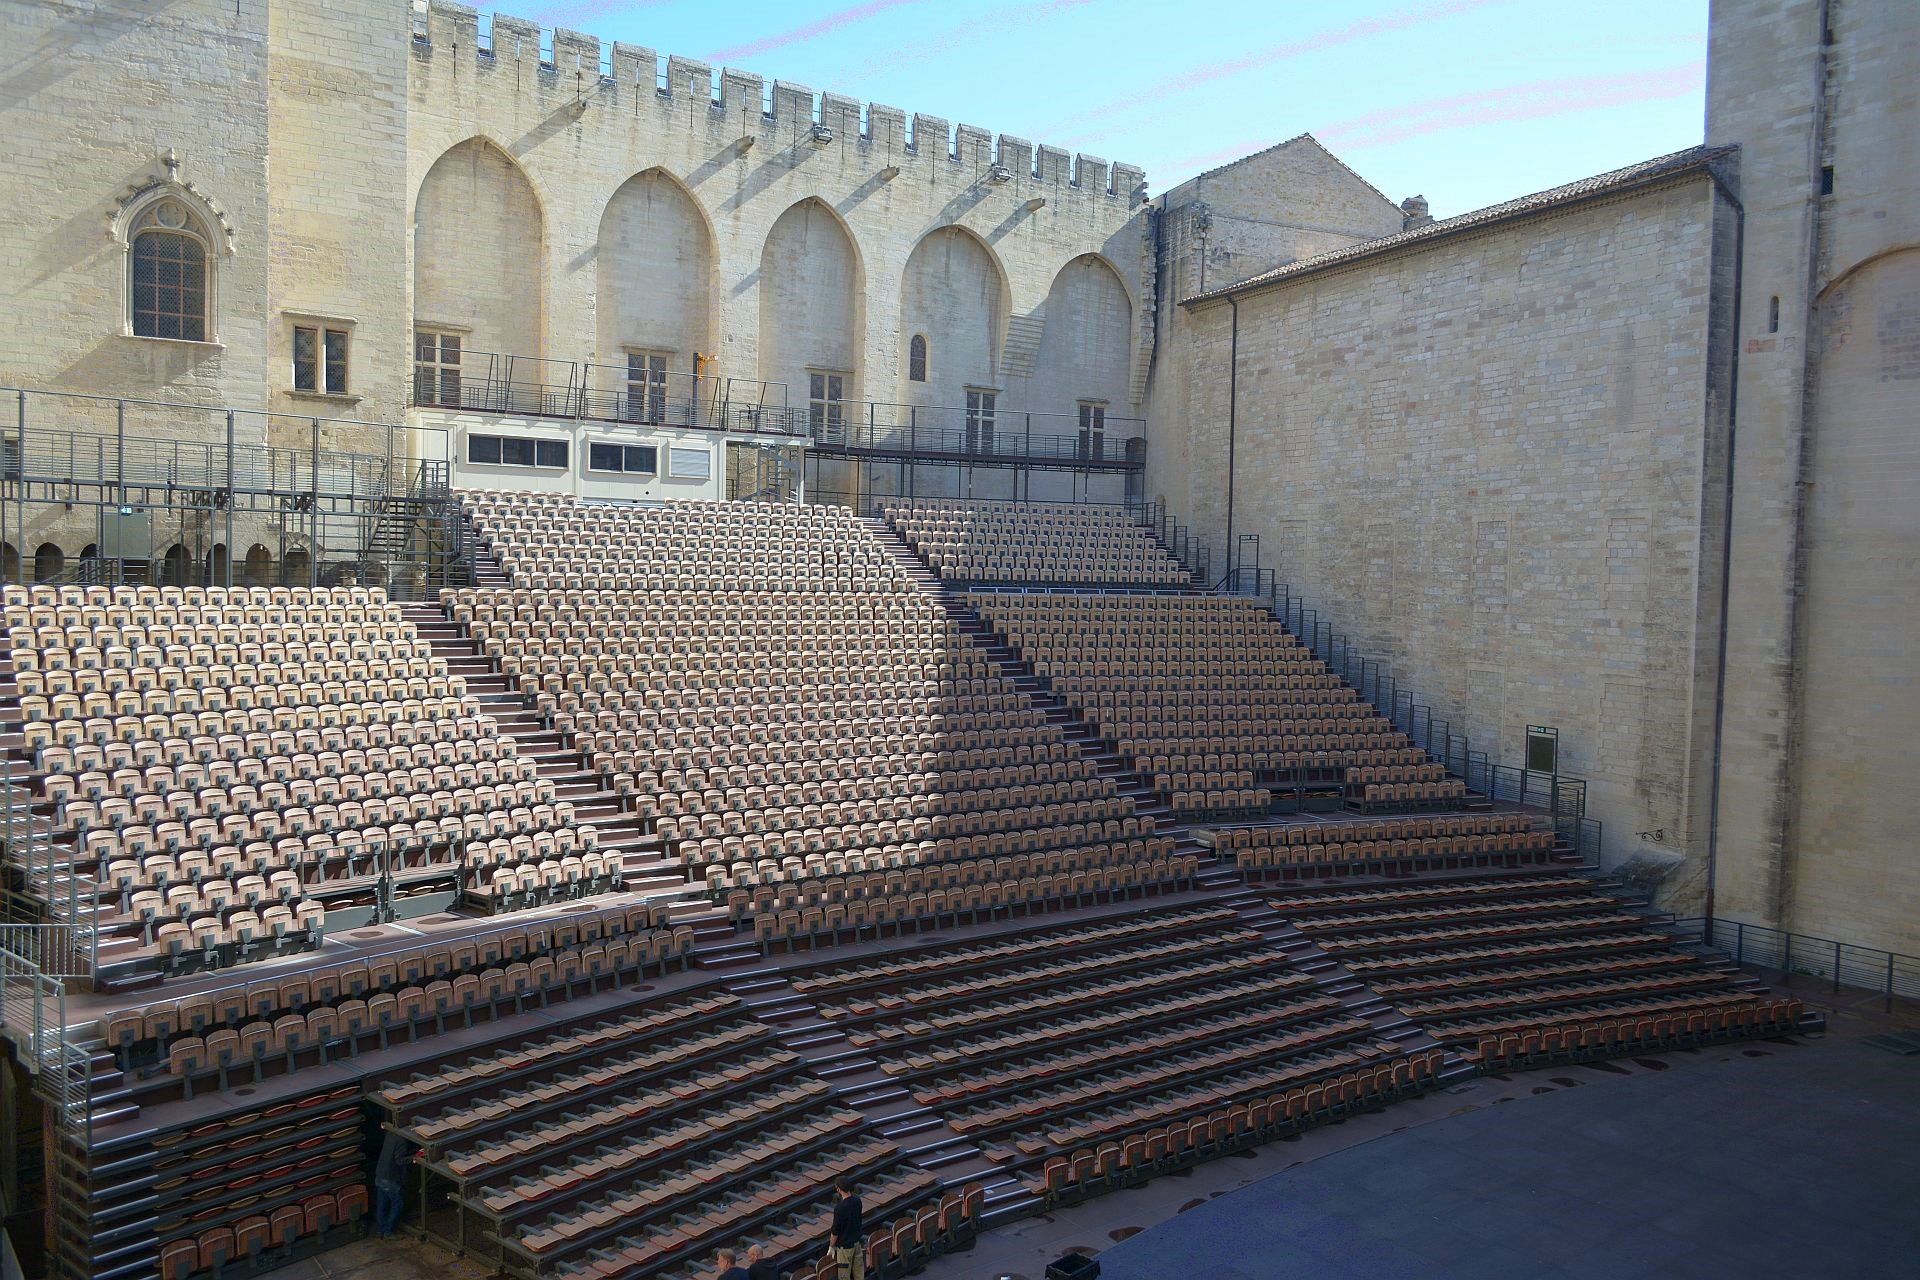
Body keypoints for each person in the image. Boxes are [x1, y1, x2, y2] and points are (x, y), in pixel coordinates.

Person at [373, 1130, 415, 1238]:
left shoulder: (391, 1133)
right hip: (390, 1178)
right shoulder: (402, 1141)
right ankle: (388, 1231)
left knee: (382, 1204)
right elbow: (400, 1161)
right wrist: (416, 1157)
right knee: (398, 1203)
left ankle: (380, 1230)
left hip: (380, 1174)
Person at [829, 1176, 864, 1280]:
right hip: (857, 1244)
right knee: (859, 1275)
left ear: (838, 1189)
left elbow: (835, 1231)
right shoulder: (858, 1201)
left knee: (844, 1277)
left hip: (845, 1249)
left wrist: (831, 1246)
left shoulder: (839, 1208)